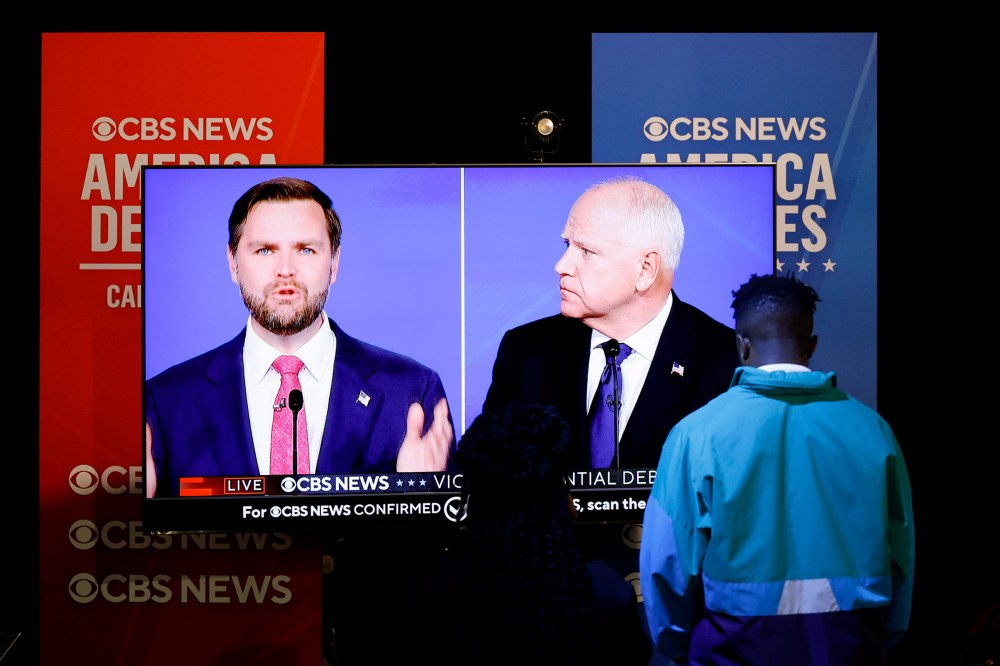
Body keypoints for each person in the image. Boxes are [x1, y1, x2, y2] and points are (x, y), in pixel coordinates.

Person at [640, 272, 915, 665]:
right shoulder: (873, 431)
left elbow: (667, 565)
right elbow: (900, 557)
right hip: (852, 649)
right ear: (812, 345)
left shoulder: (696, 434)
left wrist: (673, 648)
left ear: (741, 345)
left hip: (729, 654)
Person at [145, 176, 455, 498]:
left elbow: (448, 525)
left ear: (334, 263)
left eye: (306, 249)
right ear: (233, 263)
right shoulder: (165, 402)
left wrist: (421, 498)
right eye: (265, 250)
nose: (285, 270)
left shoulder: (411, 392)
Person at [482, 174, 739, 470]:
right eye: (567, 245)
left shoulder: (727, 364)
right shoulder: (526, 352)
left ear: (645, 268)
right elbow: (489, 475)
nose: (561, 266)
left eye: (587, 251)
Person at [451, 401, 650, 666]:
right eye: (564, 486)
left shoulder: (434, 597)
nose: (573, 505)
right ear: (558, 503)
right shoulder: (608, 598)